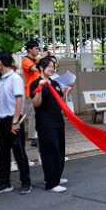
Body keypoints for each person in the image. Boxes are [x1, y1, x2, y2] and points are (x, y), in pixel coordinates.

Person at [0, 51, 32, 195]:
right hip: (1, 120)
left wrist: (15, 121)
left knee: (19, 152)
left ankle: (26, 182)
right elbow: (0, 103)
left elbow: (19, 100)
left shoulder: (15, 78)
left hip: (13, 119)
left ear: (0, 62)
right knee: (3, 153)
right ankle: (4, 182)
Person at [31, 58, 73, 192]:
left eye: (53, 67)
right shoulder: (36, 83)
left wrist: (68, 90)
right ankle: (51, 183)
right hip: (45, 122)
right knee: (50, 151)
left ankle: (56, 177)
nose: (52, 69)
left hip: (57, 120)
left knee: (60, 150)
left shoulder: (54, 83)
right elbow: (36, 104)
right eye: (49, 66)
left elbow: (60, 100)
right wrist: (40, 88)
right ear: (41, 68)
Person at [22, 41, 47, 147]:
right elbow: (35, 68)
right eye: (36, 48)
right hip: (30, 90)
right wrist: (42, 58)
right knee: (32, 114)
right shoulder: (25, 60)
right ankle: (33, 137)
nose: (37, 50)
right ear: (29, 49)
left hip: (39, 89)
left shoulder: (36, 60)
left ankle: (39, 134)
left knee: (39, 113)